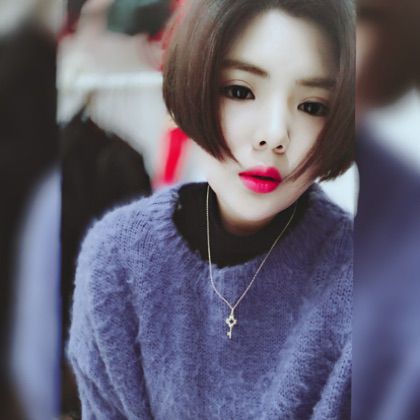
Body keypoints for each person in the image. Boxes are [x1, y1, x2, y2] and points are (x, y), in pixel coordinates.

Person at [68, 0, 354, 418]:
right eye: (240, 91)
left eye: (312, 106)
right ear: (193, 85)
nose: (274, 135)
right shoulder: (118, 258)